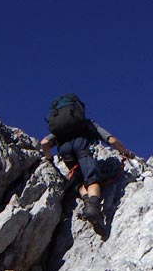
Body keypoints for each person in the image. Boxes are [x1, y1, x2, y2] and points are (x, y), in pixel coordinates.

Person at [40, 95, 135, 224]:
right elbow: (111, 140)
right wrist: (126, 152)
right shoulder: (86, 124)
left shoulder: (59, 132)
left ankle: (86, 200)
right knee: (92, 177)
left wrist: (49, 159)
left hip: (65, 151)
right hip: (81, 147)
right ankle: (93, 206)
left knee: (79, 180)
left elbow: (44, 143)